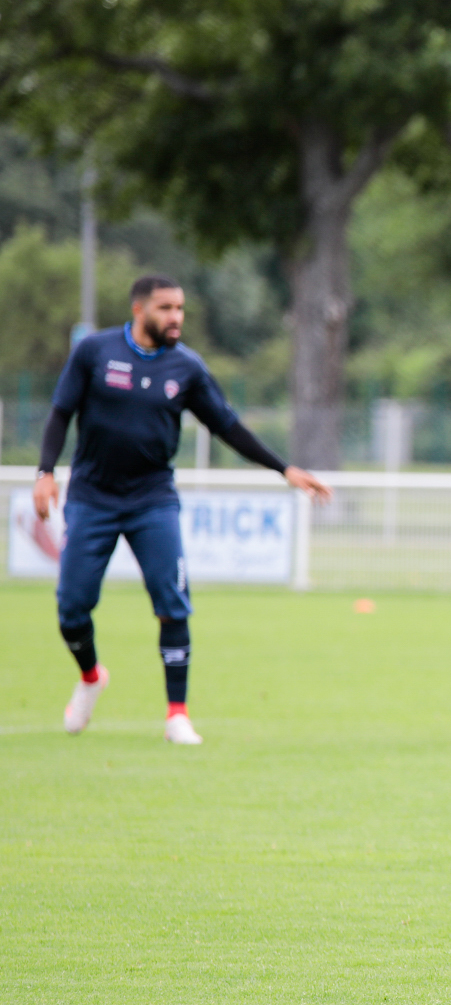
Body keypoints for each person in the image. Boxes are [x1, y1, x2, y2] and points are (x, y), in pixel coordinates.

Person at [33, 274, 331, 744]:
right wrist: (45, 472)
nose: (176, 318)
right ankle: (91, 678)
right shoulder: (94, 352)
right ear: (139, 309)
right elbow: (60, 413)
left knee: (172, 603)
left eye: (180, 309)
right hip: (93, 497)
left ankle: (177, 714)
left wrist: (284, 469)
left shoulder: (186, 367)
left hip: (153, 499)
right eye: (166, 308)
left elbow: (228, 426)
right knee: (72, 608)